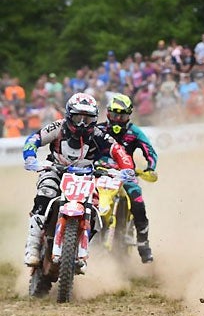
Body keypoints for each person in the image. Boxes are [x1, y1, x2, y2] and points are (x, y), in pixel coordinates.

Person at [22, 93, 135, 269]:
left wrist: (127, 168)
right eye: (78, 117)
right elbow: (34, 139)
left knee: (99, 208)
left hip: (86, 177)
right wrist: (31, 158)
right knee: (45, 194)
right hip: (56, 171)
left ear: (95, 119)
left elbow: (118, 150)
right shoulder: (58, 128)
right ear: (69, 115)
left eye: (88, 119)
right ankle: (33, 246)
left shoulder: (99, 135)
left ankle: (81, 250)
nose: (82, 123)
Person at [97, 93, 158, 263]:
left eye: (122, 116)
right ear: (108, 114)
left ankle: (143, 243)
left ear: (128, 116)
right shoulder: (98, 130)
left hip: (126, 175)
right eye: (114, 115)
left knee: (137, 201)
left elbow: (150, 151)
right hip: (101, 172)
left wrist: (150, 167)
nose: (117, 120)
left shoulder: (134, 132)